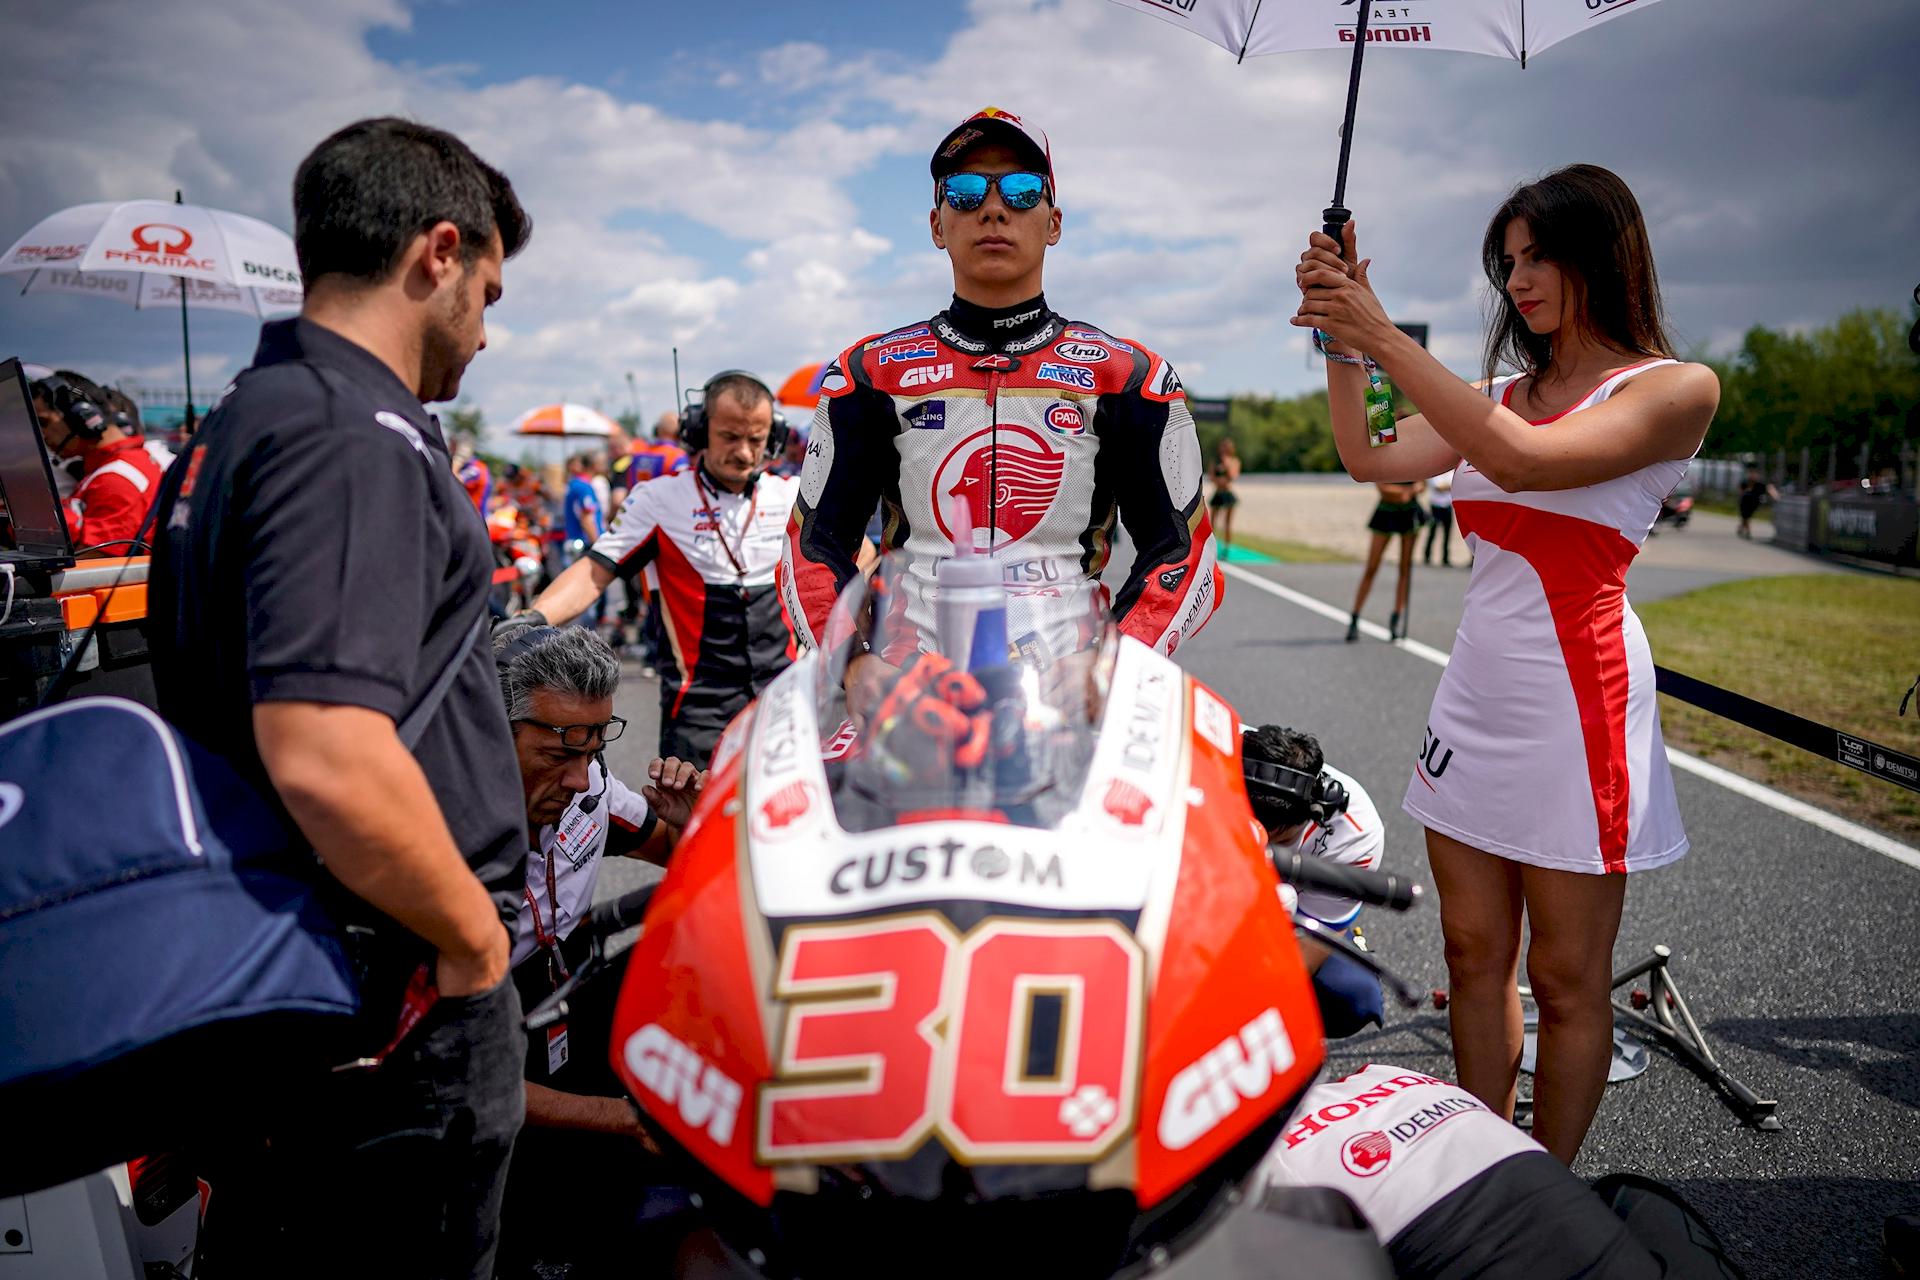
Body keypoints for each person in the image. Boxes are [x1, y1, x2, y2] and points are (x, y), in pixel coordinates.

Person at [146, 116, 533, 1278]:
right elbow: (321, 744)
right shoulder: (347, 430)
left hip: (303, 973)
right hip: (387, 989)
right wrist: (470, 943)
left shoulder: (249, 418)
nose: (481, 334)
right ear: (438, 252)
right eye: (488, 296)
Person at [1293, 163, 1719, 1164]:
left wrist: (1381, 332)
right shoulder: (1494, 393)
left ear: (1602, 256)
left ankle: (1546, 1197)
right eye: (1508, 262)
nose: (1517, 280)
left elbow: (1525, 460)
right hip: (1471, 704)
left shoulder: (1672, 389)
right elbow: (1365, 454)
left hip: (1580, 715)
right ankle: (1477, 1168)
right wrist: (1337, 332)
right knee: (1473, 955)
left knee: (1569, 980)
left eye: (1537, 257)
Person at [781, 106, 1223, 662]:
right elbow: (812, 545)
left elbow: (1183, 554)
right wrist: (851, 664)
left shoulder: (1128, 375)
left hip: (1073, 693)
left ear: (1053, 222)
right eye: (965, 192)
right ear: (938, 225)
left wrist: (1114, 665)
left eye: (1019, 189)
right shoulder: (869, 372)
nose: (993, 208)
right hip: (910, 694)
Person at [490, 623, 705, 1278]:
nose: (581, 776)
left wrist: (691, 817)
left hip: (565, 986)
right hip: (487, 1031)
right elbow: (464, 1083)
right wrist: (628, 1121)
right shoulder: (440, 839)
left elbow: (689, 864)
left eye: (594, 745)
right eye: (558, 752)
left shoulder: (591, 789)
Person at [512, 372, 798, 767]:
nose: (745, 453)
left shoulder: (792, 496)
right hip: (698, 708)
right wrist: (530, 618)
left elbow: (857, 557)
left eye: (756, 439)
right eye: (730, 437)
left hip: (784, 701)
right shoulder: (659, 499)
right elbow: (595, 571)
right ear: (698, 432)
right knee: (690, 823)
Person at [1241, 724, 1388, 1037]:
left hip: (1285, 911)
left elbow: (1310, 947)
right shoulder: (1202, 753)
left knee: (1352, 997)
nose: (1263, 845)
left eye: (1278, 842)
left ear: (1312, 814)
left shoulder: (1356, 832)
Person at [31, 370, 163, 555]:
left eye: (44, 422)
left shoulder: (116, 479)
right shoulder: (118, 464)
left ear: (83, 417)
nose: (42, 434)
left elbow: (91, 567)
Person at [1346, 478, 1425, 642]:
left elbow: (1421, 483)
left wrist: (1408, 492)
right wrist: (1407, 492)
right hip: (1386, 510)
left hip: (1409, 511)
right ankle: (1355, 616)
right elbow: (1383, 487)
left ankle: (1396, 616)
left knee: (1405, 569)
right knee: (1372, 567)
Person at [1209, 437, 1242, 550]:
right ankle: (1211, 546)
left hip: (1228, 493)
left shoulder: (1234, 461)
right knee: (1212, 522)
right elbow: (1211, 476)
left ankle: (1227, 547)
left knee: (1227, 523)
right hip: (1218, 493)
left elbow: (1233, 476)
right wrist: (1219, 481)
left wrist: (1226, 463)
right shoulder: (1215, 461)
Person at [1423, 467, 1455, 565]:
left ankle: (1445, 558)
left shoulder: (1451, 472)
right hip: (1435, 506)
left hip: (1447, 506)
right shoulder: (1434, 471)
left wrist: (1446, 487)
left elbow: (1451, 485)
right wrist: (1448, 487)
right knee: (1432, 532)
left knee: (1447, 534)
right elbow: (1437, 487)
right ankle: (1427, 556)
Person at [1735, 467, 1775, 539]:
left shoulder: (1759, 484)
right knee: (1746, 517)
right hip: (1744, 503)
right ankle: (1748, 532)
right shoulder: (1745, 482)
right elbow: (1740, 491)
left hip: (1753, 504)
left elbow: (1769, 488)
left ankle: (1741, 528)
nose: (1753, 476)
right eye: (1751, 474)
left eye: (1755, 474)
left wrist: (1775, 495)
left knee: (1746, 517)